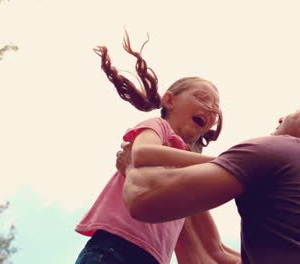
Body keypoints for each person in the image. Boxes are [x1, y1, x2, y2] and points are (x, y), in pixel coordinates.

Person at [121, 96, 300, 263]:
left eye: (298, 111)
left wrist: (131, 164)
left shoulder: (285, 149)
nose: (281, 118)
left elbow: (143, 200)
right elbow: (211, 254)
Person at [74, 32, 239, 264]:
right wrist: (225, 164)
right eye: (202, 98)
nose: (210, 109)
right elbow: (142, 154)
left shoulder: (187, 169)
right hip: (114, 247)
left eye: (216, 109)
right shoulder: (159, 127)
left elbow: (212, 247)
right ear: (170, 101)